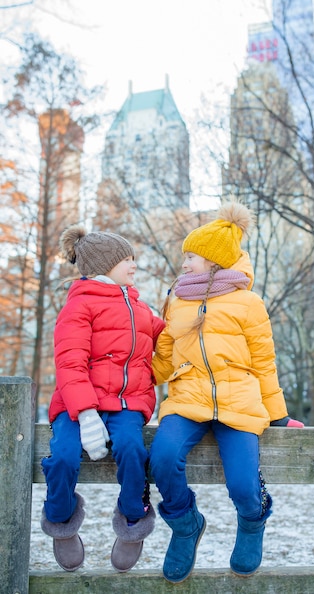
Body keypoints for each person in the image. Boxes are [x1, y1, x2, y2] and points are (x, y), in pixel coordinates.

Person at [149, 201, 304, 584]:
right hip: (186, 399)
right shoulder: (177, 301)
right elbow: (164, 358)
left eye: (191, 257)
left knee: (242, 483)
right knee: (163, 459)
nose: (183, 263)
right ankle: (186, 523)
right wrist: (126, 384)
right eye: (184, 257)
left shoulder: (249, 304)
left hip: (240, 402)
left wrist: (278, 413)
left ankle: (252, 522)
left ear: (214, 261)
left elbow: (264, 362)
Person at [40, 225, 165, 573]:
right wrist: (86, 413)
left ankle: (131, 523)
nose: (133, 265)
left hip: (127, 403)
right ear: (104, 264)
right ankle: (61, 522)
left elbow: (167, 337)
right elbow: (70, 362)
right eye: (127, 259)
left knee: (133, 451)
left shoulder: (140, 307)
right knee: (63, 457)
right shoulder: (79, 305)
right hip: (76, 403)